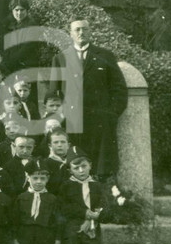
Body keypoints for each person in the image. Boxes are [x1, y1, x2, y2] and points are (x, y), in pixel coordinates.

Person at [49, 19, 128, 181]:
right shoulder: (60, 59)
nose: (81, 33)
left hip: (100, 120)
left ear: (90, 32)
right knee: (75, 166)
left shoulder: (105, 56)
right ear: (70, 33)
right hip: (72, 122)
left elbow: (119, 89)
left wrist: (111, 114)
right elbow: (53, 94)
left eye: (85, 29)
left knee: (101, 170)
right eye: (77, 30)